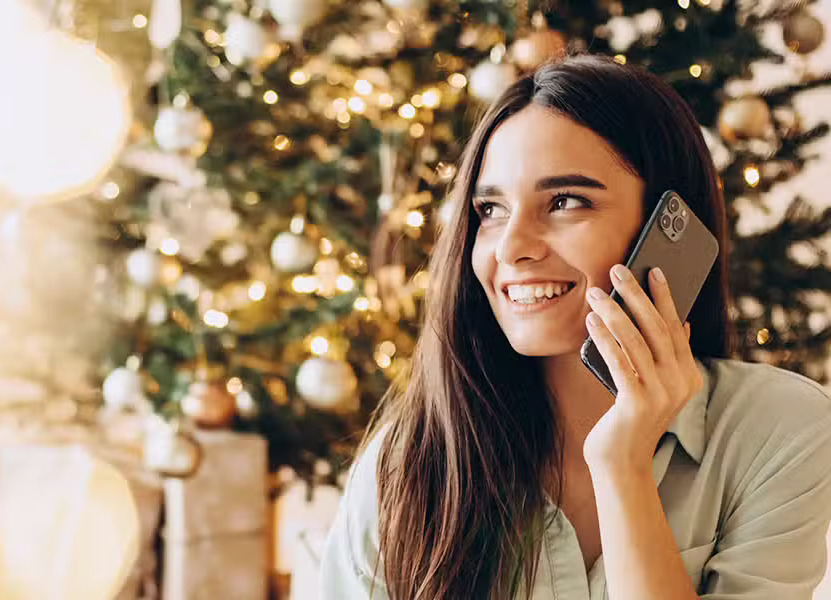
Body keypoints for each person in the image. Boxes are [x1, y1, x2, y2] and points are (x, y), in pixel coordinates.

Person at [319, 54, 831, 599]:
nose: (511, 248)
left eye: (565, 201)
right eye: (490, 210)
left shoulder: (778, 429)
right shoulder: (407, 464)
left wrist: (622, 467)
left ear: (667, 232)